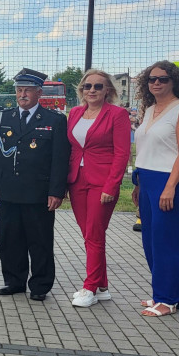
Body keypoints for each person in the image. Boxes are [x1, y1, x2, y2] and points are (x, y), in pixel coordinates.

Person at [0, 68, 69, 302]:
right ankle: (14, 281)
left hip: (38, 193)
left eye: (28, 90)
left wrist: (56, 191)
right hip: (8, 190)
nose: (23, 95)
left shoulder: (54, 120)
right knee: (10, 240)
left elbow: (60, 160)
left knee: (39, 240)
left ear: (39, 92)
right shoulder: (3, 118)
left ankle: (40, 285)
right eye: (19, 90)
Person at [131, 61, 179, 317]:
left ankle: (166, 300)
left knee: (166, 243)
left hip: (170, 181)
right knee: (150, 242)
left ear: (174, 82)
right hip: (147, 179)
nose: (156, 83)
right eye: (152, 79)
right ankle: (170, 294)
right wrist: (138, 184)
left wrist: (170, 187)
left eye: (163, 79)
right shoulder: (149, 110)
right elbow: (145, 150)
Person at [65, 70, 131, 308]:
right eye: (87, 86)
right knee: (90, 235)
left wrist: (111, 186)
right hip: (77, 180)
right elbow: (71, 149)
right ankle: (102, 286)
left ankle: (90, 286)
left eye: (98, 86)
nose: (91, 90)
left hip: (102, 182)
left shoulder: (118, 114)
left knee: (94, 233)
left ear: (108, 91)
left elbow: (122, 153)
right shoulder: (74, 113)